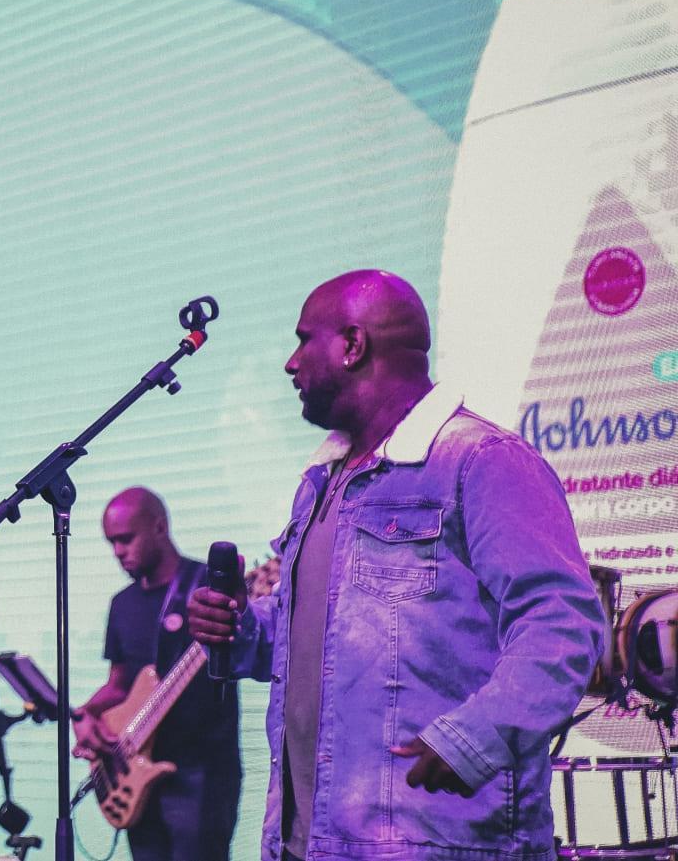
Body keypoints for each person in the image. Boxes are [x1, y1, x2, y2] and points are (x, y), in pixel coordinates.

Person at [186, 270, 605, 860]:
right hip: (308, 844)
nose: (290, 363)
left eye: (304, 340)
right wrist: (240, 628)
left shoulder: (481, 461)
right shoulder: (320, 482)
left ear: (353, 345)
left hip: (436, 845)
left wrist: (476, 736)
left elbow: (563, 625)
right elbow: (317, 638)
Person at [71, 487, 238, 861]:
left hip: (200, 773)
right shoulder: (122, 604)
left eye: (126, 539)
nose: (118, 551)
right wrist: (85, 716)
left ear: (159, 527)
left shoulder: (207, 587)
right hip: (135, 770)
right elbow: (119, 685)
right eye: (112, 543)